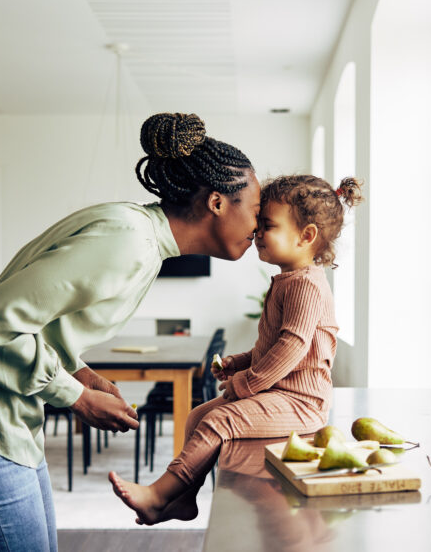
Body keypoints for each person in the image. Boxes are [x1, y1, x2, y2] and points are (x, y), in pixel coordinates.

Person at [0, 112, 261, 551]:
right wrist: (76, 397)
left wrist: (81, 373)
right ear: (217, 203)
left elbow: (42, 322)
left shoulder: (140, 238)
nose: (259, 226)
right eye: (256, 210)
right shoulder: (128, 241)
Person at [109, 174, 365, 525]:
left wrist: (247, 382)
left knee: (219, 421)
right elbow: (274, 346)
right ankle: (184, 499)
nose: (257, 232)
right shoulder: (289, 281)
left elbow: (292, 347)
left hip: (302, 403)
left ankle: (158, 495)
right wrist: (239, 362)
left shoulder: (306, 286)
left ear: (306, 236)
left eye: (268, 226)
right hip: (279, 392)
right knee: (198, 416)